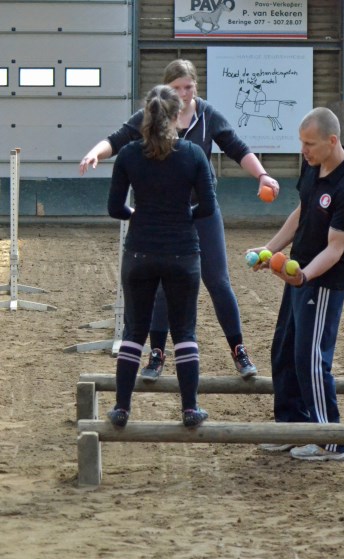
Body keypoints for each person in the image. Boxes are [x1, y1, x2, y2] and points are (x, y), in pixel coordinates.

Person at [79, 59, 276, 381]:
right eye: (178, 89)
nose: (184, 94)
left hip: (202, 212)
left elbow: (237, 148)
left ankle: (239, 350)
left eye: (189, 87)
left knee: (218, 281)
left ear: (196, 87)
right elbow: (117, 138)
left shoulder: (207, 115)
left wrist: (263, 176)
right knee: (160, 286)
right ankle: (156, 353)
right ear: (167, 89)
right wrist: (95, 153)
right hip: (165, 218)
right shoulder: (153, 115)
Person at [250, 107, 344, 461]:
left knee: (311, 358)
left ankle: (330, 440)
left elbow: (336, 249)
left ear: (332, 141)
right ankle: (292, 426)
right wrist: (269, 250)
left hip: (323, 281)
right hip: (298, 276)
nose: (304, 150)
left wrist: (303, 276)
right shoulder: (313, 166)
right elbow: (301, 213)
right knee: (284, 351)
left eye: (310, 144)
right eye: (301, 143)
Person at [105, 85, 216, 428]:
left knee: (134, 331)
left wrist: (137, 213)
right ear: (177, 115)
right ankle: (190, 409)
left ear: (146, 115)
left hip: (140, 251)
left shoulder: (128, 155)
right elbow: (208, 207)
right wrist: (181, 215)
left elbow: (114, 208)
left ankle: (122, 408)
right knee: (185, 332)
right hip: (183, 251)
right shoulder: (194, 154)